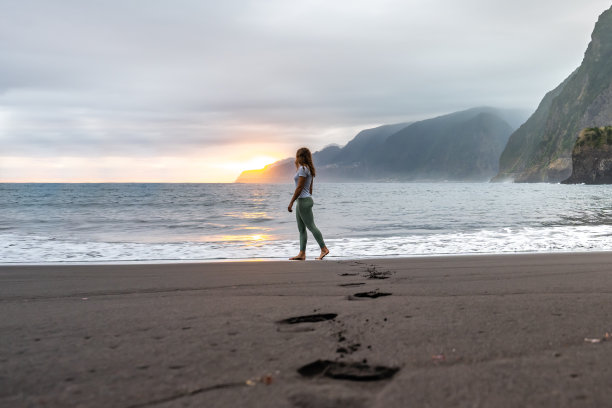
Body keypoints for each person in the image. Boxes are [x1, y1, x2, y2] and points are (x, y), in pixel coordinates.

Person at [287, 147, 330, 260]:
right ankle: (302, 254)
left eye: (297, 156)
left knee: (311, 226)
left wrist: (291, 202)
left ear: (301, 157)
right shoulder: (309, 169)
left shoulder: (302, 169)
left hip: (303, 201)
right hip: (304, 200)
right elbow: (310, 188)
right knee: (301, 229)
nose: (296, 159)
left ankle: (324, 249)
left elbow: (300, 187)